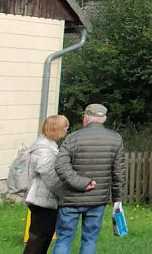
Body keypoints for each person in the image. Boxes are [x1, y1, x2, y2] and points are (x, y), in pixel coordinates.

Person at [53, 104, 125, 254]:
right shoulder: (115, 139)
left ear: (86, 117)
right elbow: (118, 174)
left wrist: (80, 183)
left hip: (70, 199)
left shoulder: (72, 138)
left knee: (64, 239)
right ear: (103, 119)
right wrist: (117, 200)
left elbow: (60, 166)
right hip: (97, 200)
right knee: (90, 240)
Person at [23, 115, 69, 254]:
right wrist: (63, 194)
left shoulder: (47, 145)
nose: (67, 129)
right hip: (42, 199)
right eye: (65, 127)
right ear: (56, 128)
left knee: (44, 236)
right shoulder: (44, 148)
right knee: (38, 237)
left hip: (45, 198)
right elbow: (49, 175)